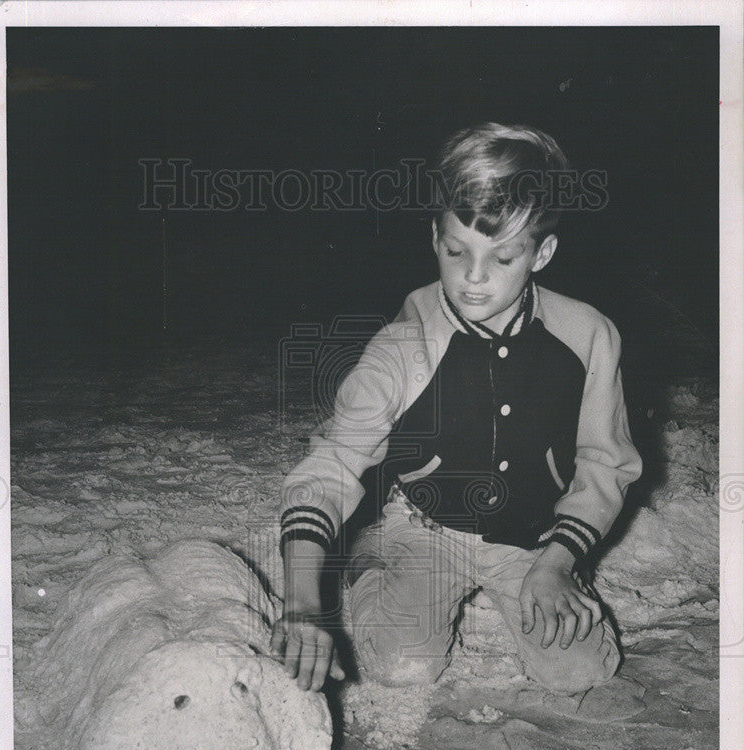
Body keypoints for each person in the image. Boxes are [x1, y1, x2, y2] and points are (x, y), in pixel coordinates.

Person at [270, 122, 642, 696]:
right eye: (455, 250)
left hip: (534, 538)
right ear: (434, 238)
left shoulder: (590, 335)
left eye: (503, 257)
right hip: (428, 527)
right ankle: (372, 566)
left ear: (541, 252)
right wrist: (300, 603)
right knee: (401, 669)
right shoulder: (400, 347)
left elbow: (604, 463)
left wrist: (559, 560)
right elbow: (329, 469)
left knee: (583, 673)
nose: (473, 277)